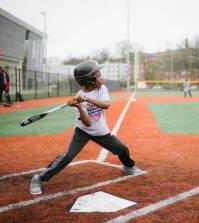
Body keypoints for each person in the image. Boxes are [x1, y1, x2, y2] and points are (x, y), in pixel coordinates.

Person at [30, 59, 142, 195]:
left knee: (123, 149)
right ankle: (39, 178)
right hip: (83, 131)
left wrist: (87, 99)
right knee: (67, 156)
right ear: (90, 81)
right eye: (98, 75)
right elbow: (88, 123)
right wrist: (78, 105)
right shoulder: (78, 97)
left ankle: (129, 166)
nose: (101, 77)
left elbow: (106, 105)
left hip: (101, 132)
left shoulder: (102, 88)